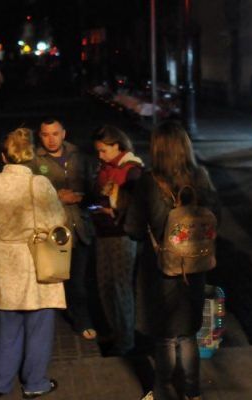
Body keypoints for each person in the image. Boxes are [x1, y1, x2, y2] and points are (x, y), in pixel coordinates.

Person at [125, 120, 220, 400]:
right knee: (188, 333)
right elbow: (217, 218)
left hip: (160, 269)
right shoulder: (201, 177)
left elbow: (132, 228)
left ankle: (162, 390)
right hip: (195, 266)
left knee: (165, 336)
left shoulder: (149, 182)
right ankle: (192, 392)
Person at [0, 128, 64, 398]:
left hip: (5, 259)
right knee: (39, 326)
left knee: (8, 325)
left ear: (3, 156)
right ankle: (35, 382)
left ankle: (1, 382)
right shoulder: (40, 184)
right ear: (29, 157)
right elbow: (57, 221)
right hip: (37, 258)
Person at [31, 118, 97, 340]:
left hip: (81, 227)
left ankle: (83, 319)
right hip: (54, 231)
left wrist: (81, 197)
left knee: (80, 279)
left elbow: (93, 189)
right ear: (40, 136)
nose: (51, 139)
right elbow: (31, 196)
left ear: (64, 134)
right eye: (45, 134)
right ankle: (60, 321)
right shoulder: (34, 161)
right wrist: (57, 197)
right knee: (57, 278)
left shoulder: (79, 157)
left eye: (55, 133)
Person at [90, 125, 143, 356]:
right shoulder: (105, 167)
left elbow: (137, 204)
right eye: (98, 151)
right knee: (106, 285)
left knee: (120, 288)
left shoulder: (132, 170)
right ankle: (117, 332)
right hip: (103, 232)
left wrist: (114, 209)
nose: (100, 155)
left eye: (103, 150)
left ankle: (126, 340)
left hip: (122, 234)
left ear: (117, 146)